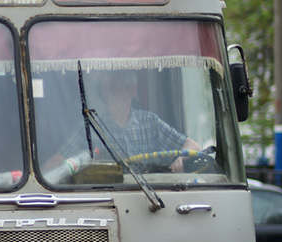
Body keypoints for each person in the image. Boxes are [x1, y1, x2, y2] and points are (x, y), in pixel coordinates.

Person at [44, 70, 200, 176]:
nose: (108, 96)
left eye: (114, 89)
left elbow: (193, 146)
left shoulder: (150, 123)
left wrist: (180, 158)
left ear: (132, 91)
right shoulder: (91, 125)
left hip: (149, 200)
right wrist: (37, 178)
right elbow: (61, 158)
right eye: (105, 90)